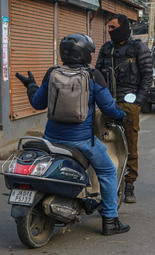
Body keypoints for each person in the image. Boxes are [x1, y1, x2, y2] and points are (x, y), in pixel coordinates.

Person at [16, 34, 130, 235]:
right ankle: (110, 220)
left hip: (50, 140)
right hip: (82, 142)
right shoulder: (93, 76)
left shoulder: (52, 74)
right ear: (85, 54)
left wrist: (30, 86)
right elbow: (109, 108)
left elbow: (37, 103)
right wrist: (122, 115)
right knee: (108, 171)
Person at [96, 14, 152, 203]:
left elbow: (147, 77)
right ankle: (105, 184)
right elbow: (96, 75)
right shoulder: (105, 49)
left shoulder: (138, 48)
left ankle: (129, 185)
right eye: (108, 28)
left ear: (123, 27)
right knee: (101, 144)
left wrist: (137, 103)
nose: (109, 31)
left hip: (128, 104)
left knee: (129, 145)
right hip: (105, 104)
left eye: (113, 27)